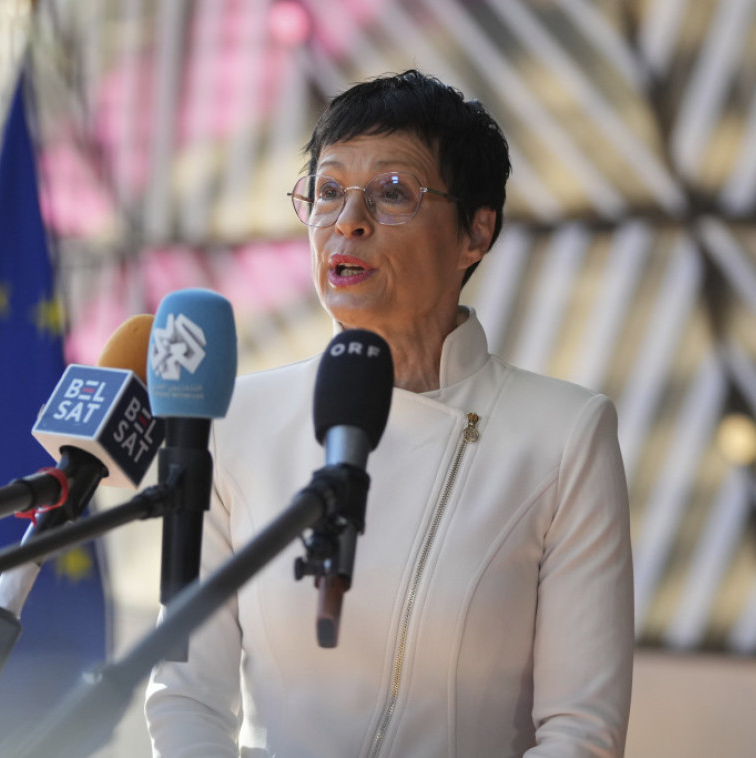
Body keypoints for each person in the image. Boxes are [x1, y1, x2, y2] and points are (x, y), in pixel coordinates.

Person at [145, 69, 634, 757]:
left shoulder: (564, 434)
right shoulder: (235, 422)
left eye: (393, 192)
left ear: (476, 233)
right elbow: (185, 694)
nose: (348, 220)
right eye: (328, 191)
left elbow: (580, 733)